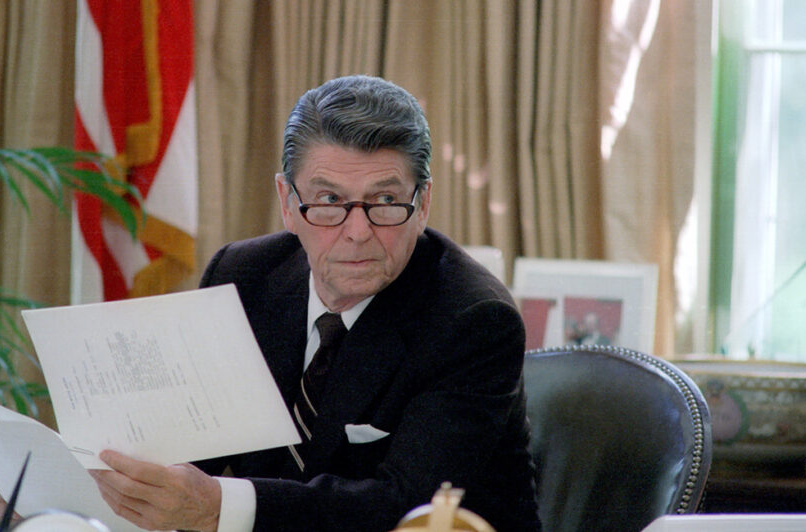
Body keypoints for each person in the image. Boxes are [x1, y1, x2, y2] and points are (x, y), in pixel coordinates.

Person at [87, 75, 540, 531]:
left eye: (385, 200)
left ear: (422, 204)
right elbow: (195, 448)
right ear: (287, 202)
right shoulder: (242, 277)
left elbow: (402, 507)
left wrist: (217, 506)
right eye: (329, 200)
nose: (358, 231)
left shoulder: (473, 320)